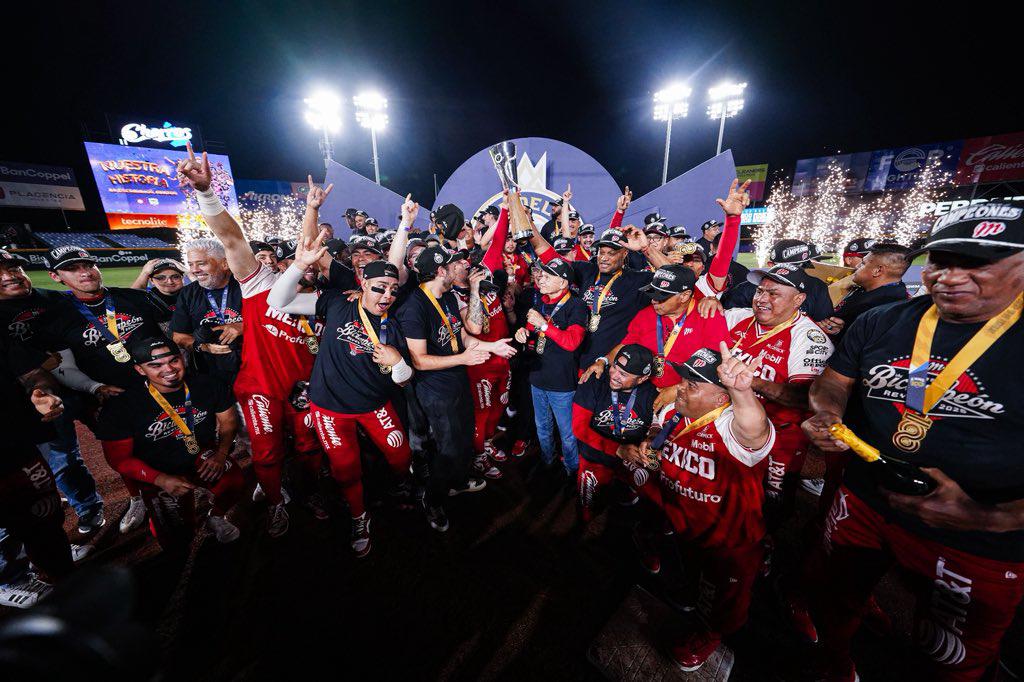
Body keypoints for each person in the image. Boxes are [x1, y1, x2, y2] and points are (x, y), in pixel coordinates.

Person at [801, 202, 1024, 682]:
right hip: (864, 498)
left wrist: (990, 515)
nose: (949, 276)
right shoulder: (885, 320)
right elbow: (834, 381)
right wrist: (826, 413)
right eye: (941, 261)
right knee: (832, 597)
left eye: (976, 263)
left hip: (979, 532)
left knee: (950, 656)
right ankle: (834, 666)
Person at [175, 142, 327, 537]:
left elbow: (309, 249)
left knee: (311, 448)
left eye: (313, 255)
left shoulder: (325, 301)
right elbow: (230, 239)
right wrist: (206, 192)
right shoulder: (260, 283)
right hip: (260, 385)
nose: (307, 257)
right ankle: (276, 502)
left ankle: (309, 492)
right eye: (298, 256)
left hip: (307, 387)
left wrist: (312, 211)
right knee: (266, 451)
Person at [268, 236, 414, 558]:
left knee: (401, 457)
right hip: (330, 409)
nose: (386, 295)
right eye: (379, 287)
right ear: (362, 282)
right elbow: (278, 302)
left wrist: (399, 363)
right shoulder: (337, 301)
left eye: (392, 289)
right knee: (345, 469)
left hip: (374, 406)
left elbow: (405, 380)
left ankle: (400, 484)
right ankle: (359, 517)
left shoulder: (398, 323)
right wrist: (299, 265)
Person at [641, 345, 776, 672]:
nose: (682, 387)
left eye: (693, 384)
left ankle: (711, 634)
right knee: (694, 579)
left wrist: (742, 392)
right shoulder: (674, 411)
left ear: (721, 398)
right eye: (685, 378)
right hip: (688, 527)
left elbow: (755, 429)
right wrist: (652, 441)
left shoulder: (734, 427)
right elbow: (661, 433)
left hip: (729, 541)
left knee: (725, 600)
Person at [37, 245, 173, 536]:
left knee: (170, 441)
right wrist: (94, 387)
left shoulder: (136, 297)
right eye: (72, 268)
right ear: (55, 276)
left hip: (161, 388)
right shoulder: (57, 316)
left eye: (88, 264)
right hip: (111, 396)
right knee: (125, 451)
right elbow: (63, 366)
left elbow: (174, 336)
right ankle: (137, 498)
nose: (85, 272)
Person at [398, 243, 515, 532]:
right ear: (441, 270)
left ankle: (457, 482)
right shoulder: (414, 307)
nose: (460, 266)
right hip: (435, 389)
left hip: (457, 380)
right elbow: (419, 361)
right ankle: (432, 499)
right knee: (448, 448)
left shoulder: (448, 297)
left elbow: (465, 334)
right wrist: (464, 358)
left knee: (463, 438)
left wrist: (492, 347)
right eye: (453, 263)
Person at [96, 337, 242, 550]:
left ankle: (216, 516)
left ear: (182, 358)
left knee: (234, 481)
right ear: (140, 369)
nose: (169, 369)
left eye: (173, 360)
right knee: (176, 539)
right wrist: (161, 479)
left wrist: (220, 455)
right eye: (155, 365)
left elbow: (228, 422)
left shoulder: (207, 384)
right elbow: (118, 459)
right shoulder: (122, 407)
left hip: (201, 455)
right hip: (157, 470)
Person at [0, 250, 105, 537]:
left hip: (87, 386)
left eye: (13, 268)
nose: (10, 276)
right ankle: (88, 508)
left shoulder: (56, 298)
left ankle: (140, 491)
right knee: (63, 459)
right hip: (40, 400)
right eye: (0, 272)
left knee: (118, 437)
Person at [722, 264, 833, 523]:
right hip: (730, 424)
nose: (761, 299)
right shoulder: (738, 317)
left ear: (799, 299)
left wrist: (753, 382)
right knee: (729, 493)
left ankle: (766, 551)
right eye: (759, 291)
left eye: (773, 294)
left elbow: (804, 397)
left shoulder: (809, 338)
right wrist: (708, 303)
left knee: (770, 503)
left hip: (779, 436)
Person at [0, 336, 73, 609]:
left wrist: (41, 391)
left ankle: (56, 568)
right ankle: (11, 578)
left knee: (44, 511)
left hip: (15, 445)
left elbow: (33, 372)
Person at [594, 264, 731, 409]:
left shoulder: (708, 315)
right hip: (647, 389)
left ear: (684, 295)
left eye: (662, 297)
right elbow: (626, 345)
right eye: (653, 293)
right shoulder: (645, 314)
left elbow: (715, 363)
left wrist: (680, 388)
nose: (654, 300)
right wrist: (602, 361)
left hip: (690, 394)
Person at [513, 257, 588, 480]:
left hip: (561, 383)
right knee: (542, 428)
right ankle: (547, 461)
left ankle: (573, 471)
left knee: (567, 434)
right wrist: (523, 333)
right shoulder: (542, 302)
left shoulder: (577, 305)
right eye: (541, 274)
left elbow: (572, 342)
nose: (541, 279)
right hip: (537, 377)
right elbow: (529, 330)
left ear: (564, 282)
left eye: (548, 276)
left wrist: (544, 325)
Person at [573, 344, 657, 521]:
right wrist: (617, 449)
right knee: (587, 501)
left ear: (642, 379)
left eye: (623, 375)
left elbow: (657, 423)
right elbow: (579, 428)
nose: (614, 376)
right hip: (595, 454)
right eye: (614, 367)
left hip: (630, 456)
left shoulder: (652, 394)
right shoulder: (594, 379)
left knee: (651, 490)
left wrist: (651, 438)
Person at [172, 238, 243, 385]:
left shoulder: (245, 285)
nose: (194, 270)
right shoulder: (188, 293)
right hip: (210, 372)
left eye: (201, 263)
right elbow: (179, 336)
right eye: (191, 264)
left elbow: (275, 321)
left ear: (224, 263)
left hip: (252, 366)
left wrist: (244, 326)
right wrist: (201, 346)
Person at [819, 242, 911, 341]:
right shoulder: (870, 289)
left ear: (877, 271)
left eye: (863, 263)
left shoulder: (886, 308)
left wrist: (842, 331)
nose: (857, 266)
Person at [722, 239, 834, 321]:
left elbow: (825, 324)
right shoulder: (818, 286)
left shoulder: (818, 287)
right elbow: (727, 317)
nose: (791, 273)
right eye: (786, 269)